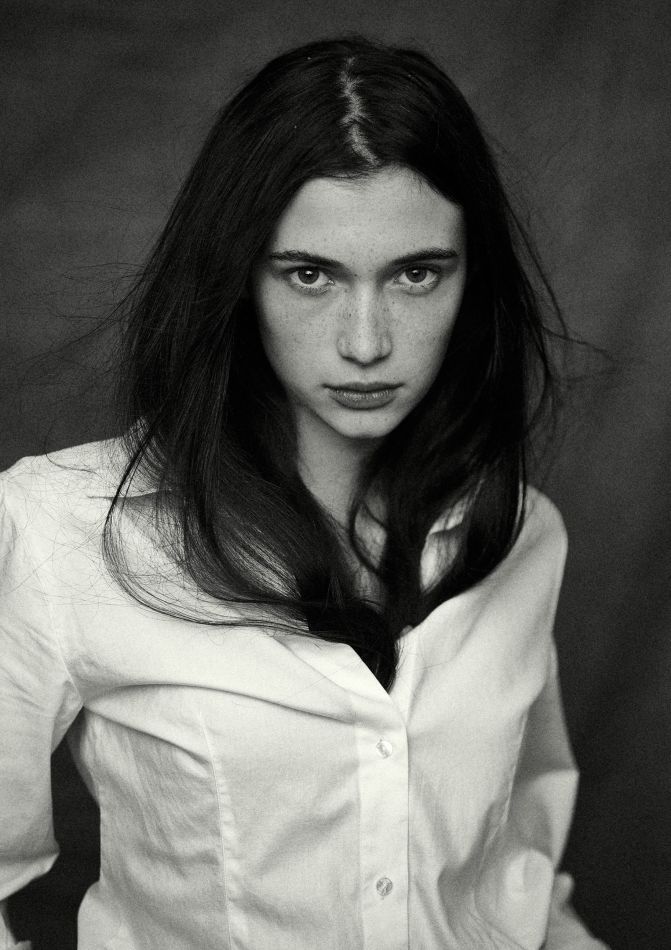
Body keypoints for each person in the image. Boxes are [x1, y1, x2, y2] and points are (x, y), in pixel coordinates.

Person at [0, 36, 609, 950]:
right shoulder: (60, 531)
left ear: (470, 280)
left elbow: (511, 878)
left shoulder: (520, 532)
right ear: (236, 276)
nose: (365, 343)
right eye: (310, 274)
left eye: (415, 274)